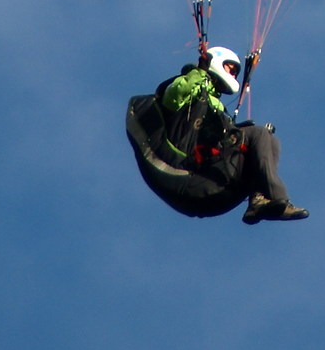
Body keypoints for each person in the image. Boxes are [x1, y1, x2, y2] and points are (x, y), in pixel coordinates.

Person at [126, 45, 309, 223]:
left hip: (215, 191)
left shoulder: (215, 110)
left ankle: (259, 201)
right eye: (231, 67)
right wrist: (199, 71)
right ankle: (278, 197)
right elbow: (175, 96)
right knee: (258, 134)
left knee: (270, 140)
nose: (234, 73)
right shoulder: (191, 95)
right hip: (191, 182)